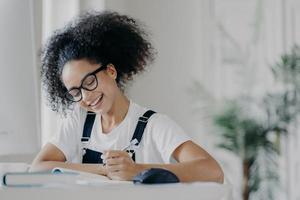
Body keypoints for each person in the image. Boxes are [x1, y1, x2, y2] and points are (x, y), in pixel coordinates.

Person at [30, 11, 224, 183]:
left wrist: (137, 170)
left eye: (89, 82)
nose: (86, 96)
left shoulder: (153, 125)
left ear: (111, 71)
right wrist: (103, 170)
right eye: (75, 92)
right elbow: (38, 167)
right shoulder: (78, 121)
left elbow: (212, 171)